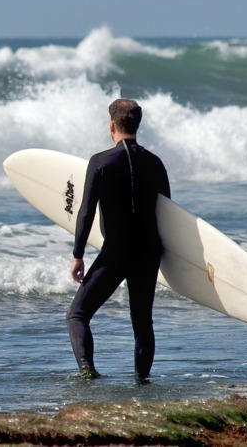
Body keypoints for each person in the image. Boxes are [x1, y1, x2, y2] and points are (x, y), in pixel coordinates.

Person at [67, 98, 170, 381]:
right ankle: (142, 380)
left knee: (77, 315)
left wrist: (78, 254)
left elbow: (86, 211)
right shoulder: (155, 163)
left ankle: (88, 371)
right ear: (138, 125)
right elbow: (169, 214)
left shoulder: (100, 162)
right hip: (149, 251)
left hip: (116, 252)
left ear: (112, 125)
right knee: (142, 323)